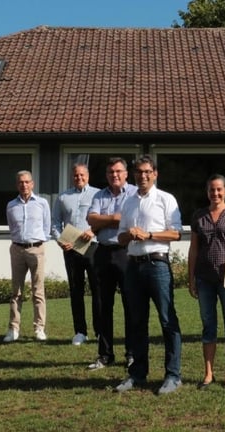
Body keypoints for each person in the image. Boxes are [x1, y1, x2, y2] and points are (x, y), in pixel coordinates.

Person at [114, 155, 183, 395]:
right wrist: (129, 235)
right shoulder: (128, 202)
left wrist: (149, 235)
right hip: (133, 265)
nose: (142, 176)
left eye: (146, 172)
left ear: (154, 174)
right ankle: (137, 374)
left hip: (157, 265)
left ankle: (173, 375)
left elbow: (176, 234)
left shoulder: (166, 199)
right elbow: (120, 237)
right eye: (138, 172)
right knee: (136, 322)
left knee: (167, 320)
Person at [187, 175, 225, 388]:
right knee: (208, 325)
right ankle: (208, 373)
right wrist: (190, 278)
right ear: (207, 192)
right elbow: (193, 249)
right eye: (212, 190)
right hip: (204, 278)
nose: (215, 194)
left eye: (219, 189)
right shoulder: (199, 216)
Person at [85, 157, 137, 371]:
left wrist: (104, 219)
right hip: (103, 252)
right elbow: (91, 220)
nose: (114, 175)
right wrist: (116, 217)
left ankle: (132, 353)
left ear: (126, 173)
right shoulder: (99, 194)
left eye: (118, 171)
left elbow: (132, 219)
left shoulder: (134, 193)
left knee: (131, 305)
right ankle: (105, 354)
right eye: (110, 172)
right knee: (102, 305)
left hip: (127, 253)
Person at [53, 162, 99, 346]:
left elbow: (102, 219)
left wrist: (93, 230)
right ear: (72, 177)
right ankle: (80, 331)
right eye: (75, 175)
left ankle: (99, 330)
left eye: (82, 175)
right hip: (71, 248)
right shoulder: (63, 197)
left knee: (98, 290)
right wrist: (60, 240)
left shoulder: (98, 194)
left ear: (87, 176)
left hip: (93, 247)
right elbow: (55, 223)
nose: (79, 178)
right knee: (75, 290)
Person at [5, 170, 51, 342]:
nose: (24, 185)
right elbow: (11, 227)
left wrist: (37, 242)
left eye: (27, 182)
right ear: (17, 185)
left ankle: (39, 328)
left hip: (36, 248)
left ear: (32, 184)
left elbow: (46, 227)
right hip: (17, 249)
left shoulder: (42, 203)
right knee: (16, 291)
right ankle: (13, 328)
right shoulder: (11, 205)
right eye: (21, 182)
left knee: (38, 291)